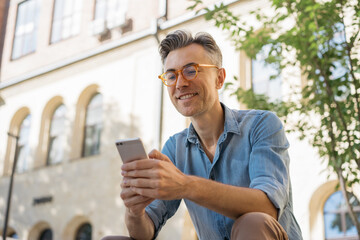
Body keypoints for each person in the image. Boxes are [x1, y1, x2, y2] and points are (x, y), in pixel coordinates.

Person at [102, 30, 303, 240]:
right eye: (171, 75)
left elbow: (268, 208)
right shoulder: (175, 148)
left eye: (191, 71)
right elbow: (144, 233)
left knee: (253, 222)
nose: (180, 84)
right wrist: (135, 212)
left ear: (219, 78)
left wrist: (185, 185)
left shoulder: (262, 125)